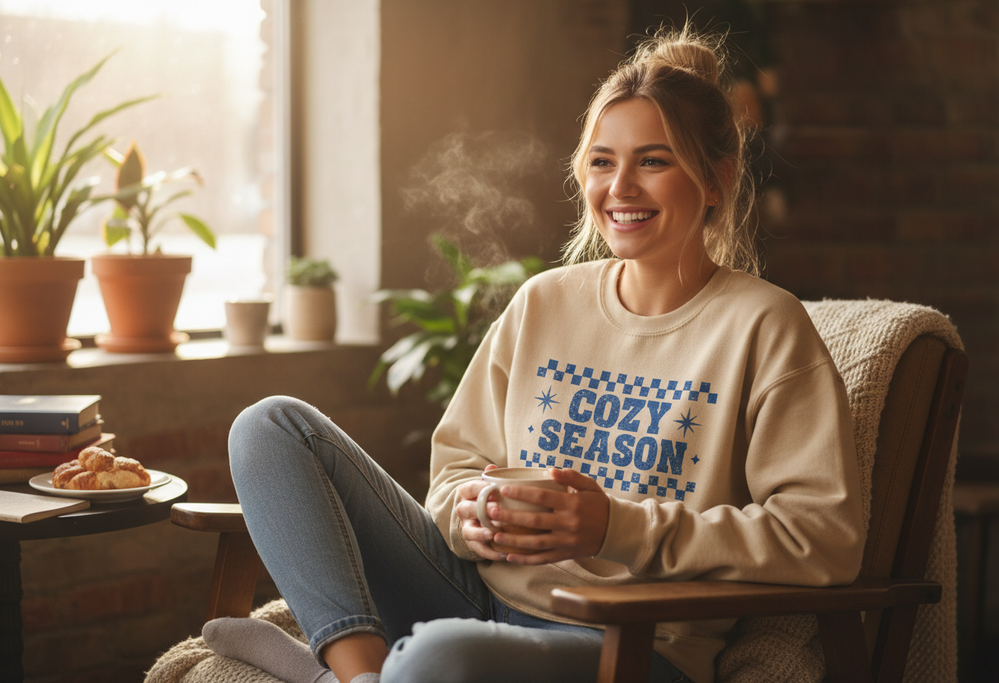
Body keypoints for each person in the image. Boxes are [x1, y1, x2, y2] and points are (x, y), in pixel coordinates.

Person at [203, 25, 864, 683]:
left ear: (716, 178)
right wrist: (466, 512)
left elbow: (823, 539)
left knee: (438, 658)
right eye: (603, 161)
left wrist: (615, 526)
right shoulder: (544, 301)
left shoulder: (764, 327)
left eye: (653, 161)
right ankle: (360, 675)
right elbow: (455, 473)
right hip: (477, 597)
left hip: (630, 646)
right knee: (269, 426)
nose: (620, 187)